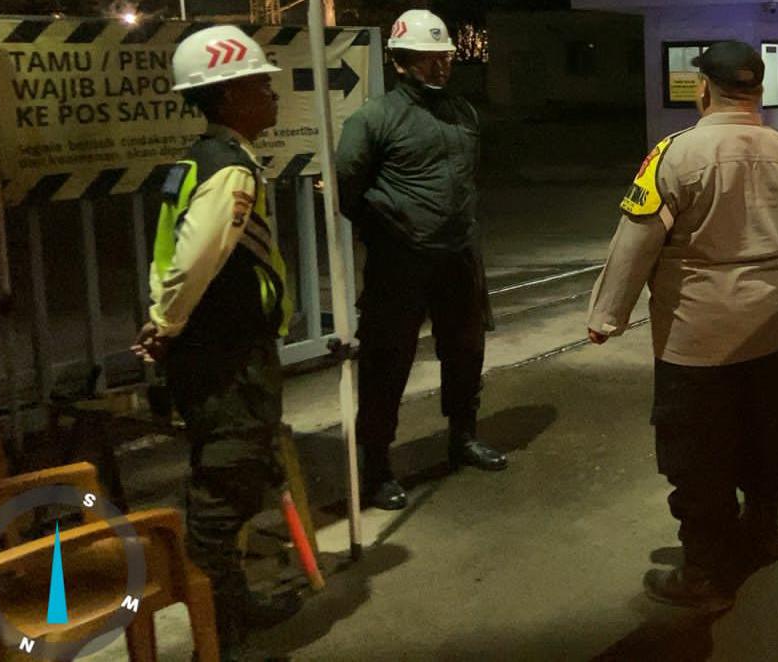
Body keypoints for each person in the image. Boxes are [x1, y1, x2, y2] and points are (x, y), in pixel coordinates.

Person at [586, 40, 778, 612]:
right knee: (769, 440)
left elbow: (636, 243)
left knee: (699, 458)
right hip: (770, 331)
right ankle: (763, 533)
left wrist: (607, 316)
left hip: (696, 339)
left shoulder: (675, 155)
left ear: (703, 89)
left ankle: (706, 575)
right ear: (757, 90)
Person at [132, 25, 300, 660]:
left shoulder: (197, 159)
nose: (272, 96)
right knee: (222, 494)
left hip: (210, 350)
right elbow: (196, 259)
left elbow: (169, 257)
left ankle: (234, 609)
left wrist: (162, 321)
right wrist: (167, 324)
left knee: (231, 474)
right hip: (226, 357)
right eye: (260, 85)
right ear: (229, 97)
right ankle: (221, 634)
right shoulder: (230, 171)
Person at [336, 9, 507, 511]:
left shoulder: (461, 113)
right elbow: (348, 186)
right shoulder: (374, 119)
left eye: (444, 57)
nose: (440, 67)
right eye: (427, 59)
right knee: (387, 362)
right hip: (400, 261)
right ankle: (376, 465)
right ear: (400, 62)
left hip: (458, 255)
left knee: (465, 351)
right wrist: (386, 230)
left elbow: (470, 176)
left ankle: (463, 436)